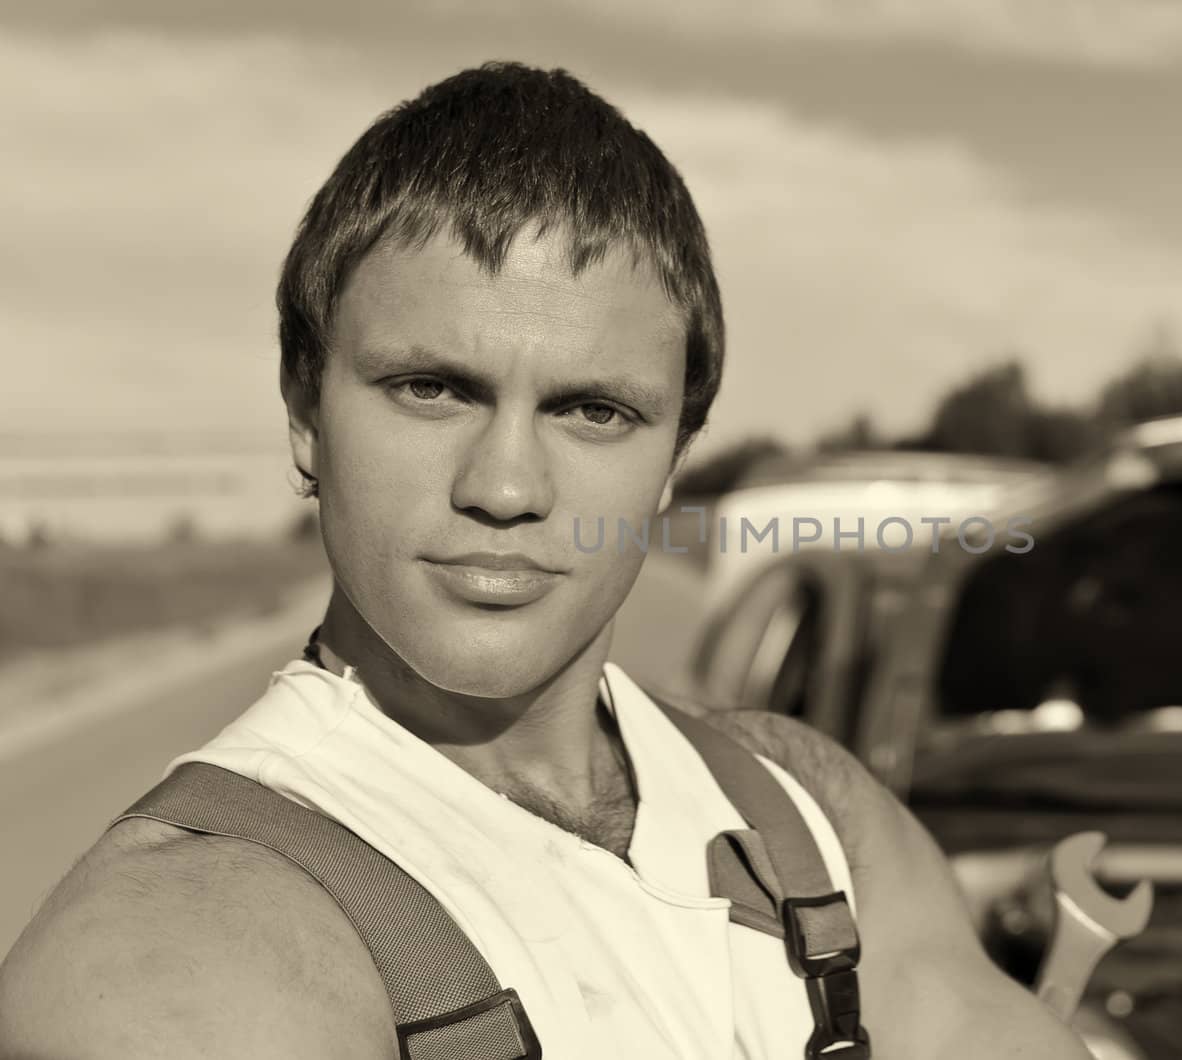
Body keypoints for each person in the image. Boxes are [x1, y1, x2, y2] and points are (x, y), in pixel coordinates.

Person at [0, 63, 1093, 1059]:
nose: (507, 487)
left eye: (594, 411)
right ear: (302, 410)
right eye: (431, 389)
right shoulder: (172, 951)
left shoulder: (813, 819)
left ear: (675, 459)